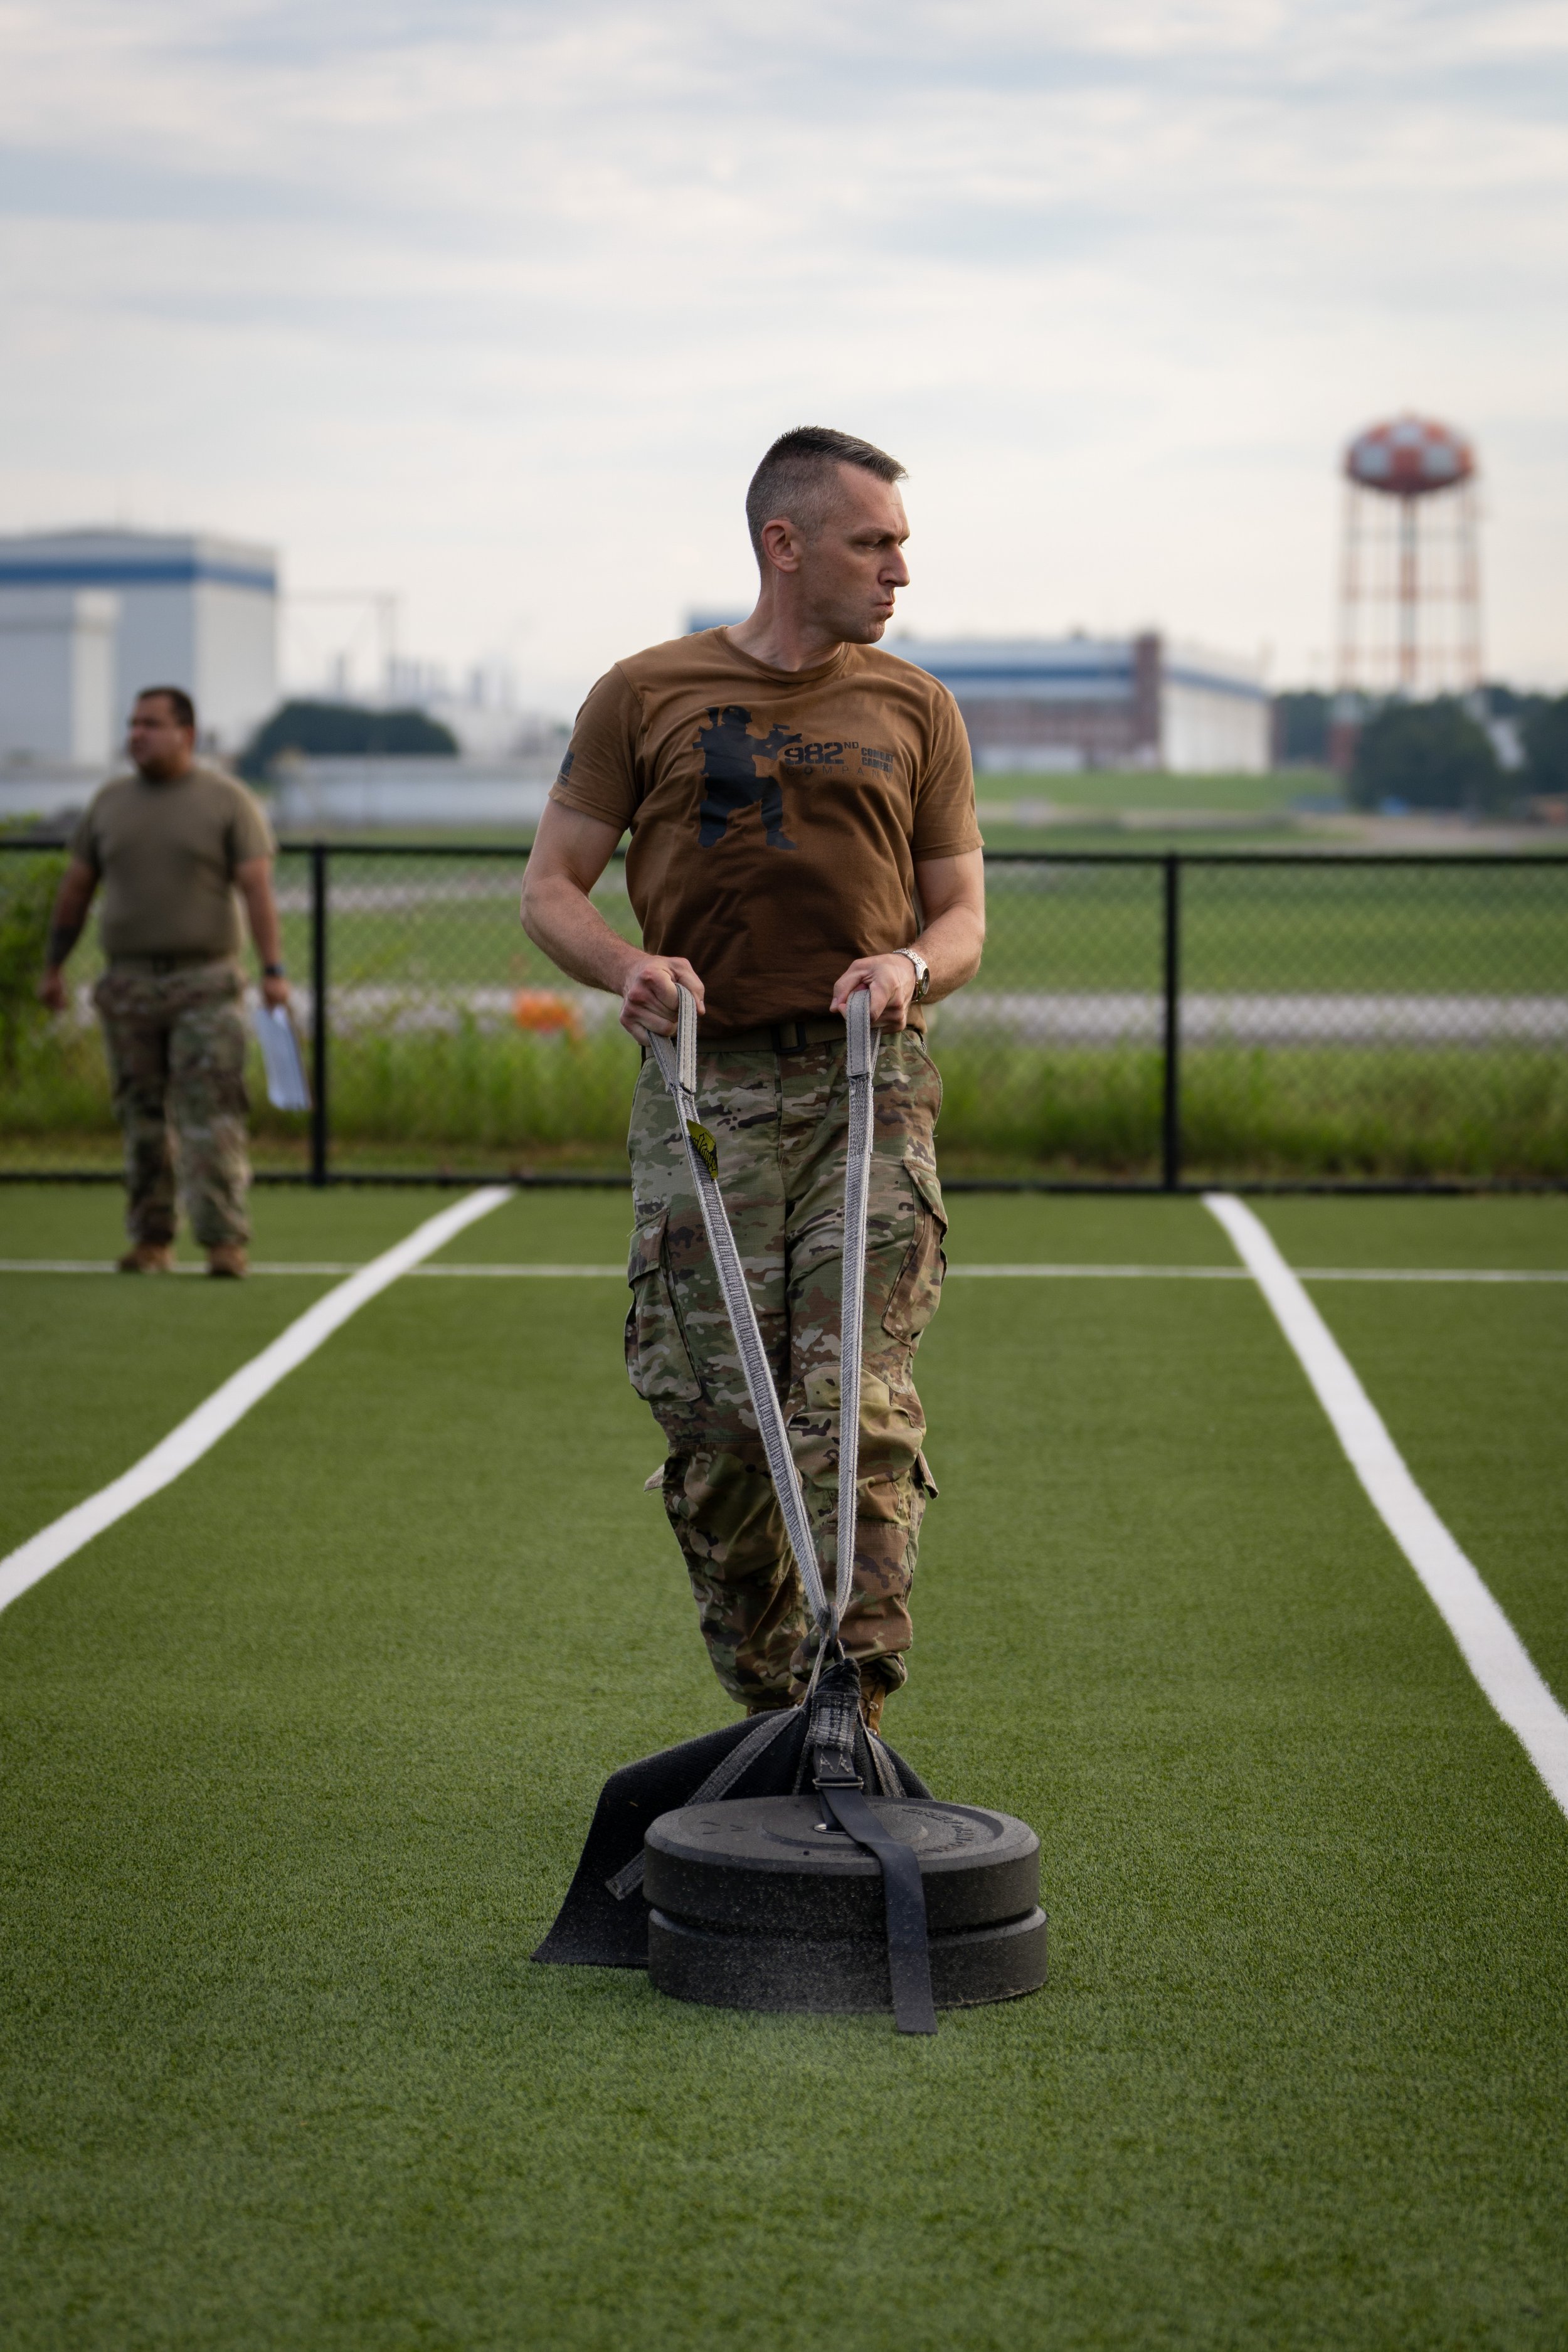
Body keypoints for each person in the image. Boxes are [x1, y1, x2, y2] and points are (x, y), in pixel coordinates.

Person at [520, 426, 985, 1734]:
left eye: (899, 542)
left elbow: (960, 918)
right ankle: (775, 1700)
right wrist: (626, 966)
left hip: (863, 1084)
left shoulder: (913, 707)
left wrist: (907, 966)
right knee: (718, 1430)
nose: (898, 568)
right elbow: (550, 888)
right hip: (701, 1091)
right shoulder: (644, 692)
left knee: (854, 1410)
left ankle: (853, 1707)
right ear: (784, 545)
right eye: (871, 541)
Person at [38, 686, 290, 1278]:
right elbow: (76, 891)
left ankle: (224, 1241)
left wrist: (274, 972)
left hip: (204, 984)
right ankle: (151, 1240)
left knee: (211, 1114)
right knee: (140, 1117)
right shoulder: (109, 804)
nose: (136, 735)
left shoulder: (227, 801)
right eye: (132, 724)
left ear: (187, 734)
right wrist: (54, 966)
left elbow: (257, 890)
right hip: (128, 987)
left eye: (151, 724)